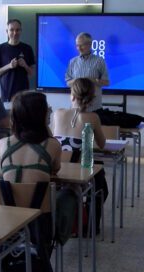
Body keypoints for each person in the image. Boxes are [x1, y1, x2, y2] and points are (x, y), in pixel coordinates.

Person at [51, 78, 109, 234]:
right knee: (101, 187)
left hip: (57, 171)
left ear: (72, 96)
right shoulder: (93, 118)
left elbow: (52, 139)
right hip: (82, 173)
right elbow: (102, 144)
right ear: (92, 97)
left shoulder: (58, 114)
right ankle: (89, 227)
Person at [0, 91, 61, 184]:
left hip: (8, 194)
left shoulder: (1, 144)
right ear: (42, 115)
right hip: (41, 194)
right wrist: (45, 125)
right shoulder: (53, 144)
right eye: (47, 109)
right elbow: (55, 169)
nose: (50, 111)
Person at [0, 19, 36, 103]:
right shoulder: (0, 49)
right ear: (7, 31)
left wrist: (25, 65)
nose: (15, 33)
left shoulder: (27, 48)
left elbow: (32, 73)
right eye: (11, 30)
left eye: (17, 30)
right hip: (7, 95)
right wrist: (9, 66)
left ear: (21, 31)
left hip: (24, 95)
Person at [65, 33, 109, 113]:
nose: (79, 48)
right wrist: (79, 81)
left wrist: (91, 80)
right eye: (77, 45)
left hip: (95, 108)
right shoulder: (72, 62)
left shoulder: (99, 61)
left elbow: (106, 82)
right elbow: (68, 82)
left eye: (81, 45)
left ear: (90, 44)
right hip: (76, 108)